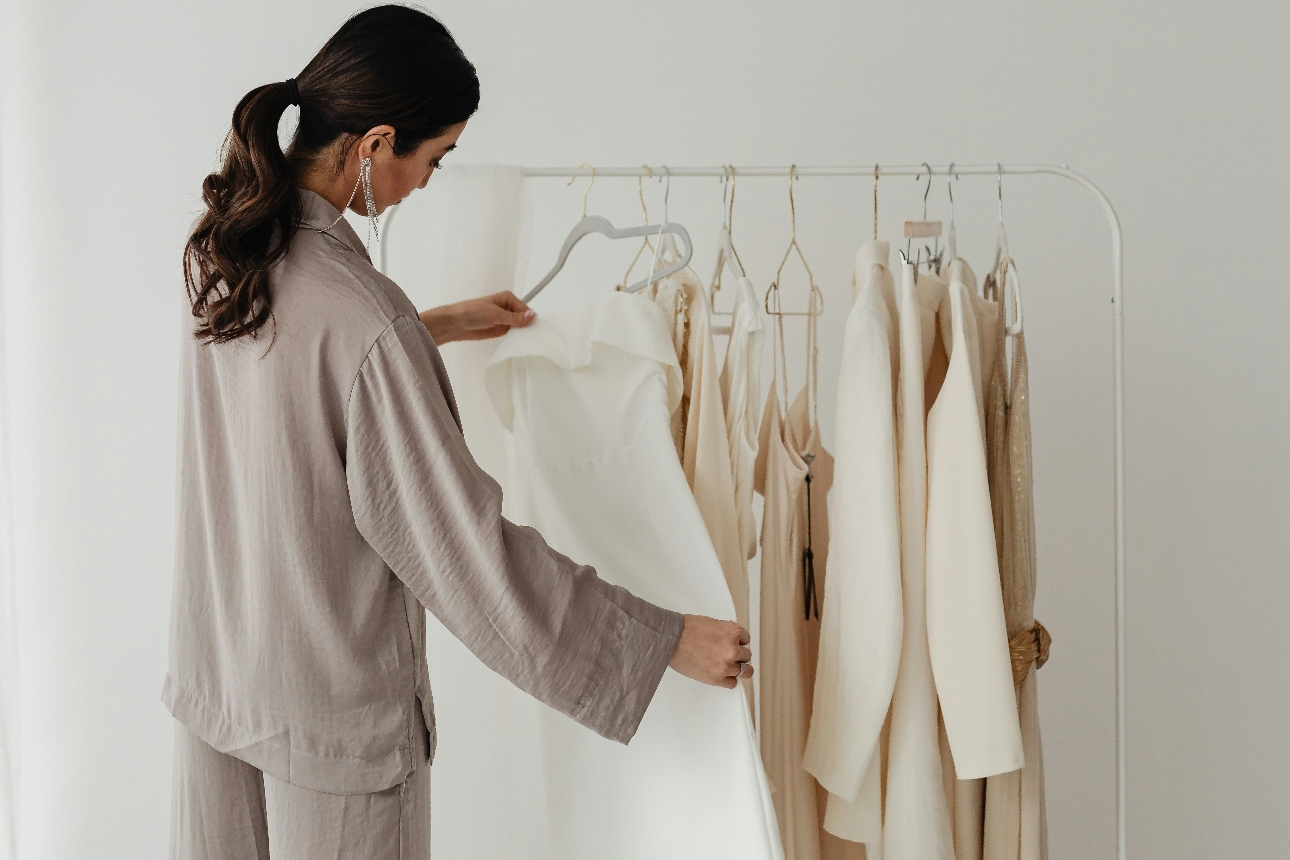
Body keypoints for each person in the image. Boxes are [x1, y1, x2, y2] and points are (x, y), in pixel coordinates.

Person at [163, 6, 753, 859]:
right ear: (375, 144)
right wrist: (661, 640)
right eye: (433, 158)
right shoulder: (367, 323)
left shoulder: (225, 254)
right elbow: (470, 555)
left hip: (222, 687)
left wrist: (426, 327)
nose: (429, 182)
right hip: (337, 735)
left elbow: (294, 383)